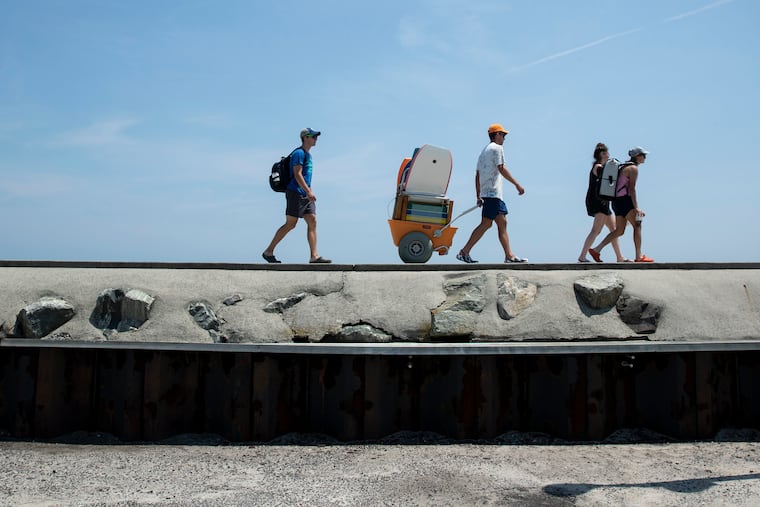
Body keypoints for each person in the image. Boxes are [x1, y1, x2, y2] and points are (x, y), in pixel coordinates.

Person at [456, 123, 527, 264]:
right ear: (496, 135)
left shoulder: (483, 152)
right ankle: (465, 252)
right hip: (493, 194)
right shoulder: (497, 148)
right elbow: (501, 168)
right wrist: (517, 184)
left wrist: (478, 195)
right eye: (503, 135)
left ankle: (508, 255)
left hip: (487, 194)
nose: (504, 138)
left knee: (495, 223)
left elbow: (477, 175)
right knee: (491, 224)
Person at [262, 128, 332, 264]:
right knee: (290, 224)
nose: (316, 139)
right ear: (305, 137)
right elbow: (297, 174)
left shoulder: (308, 155)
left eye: (316, 137)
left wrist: (309, 191)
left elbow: (307, 177)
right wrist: (308, 191)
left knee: (312, 220)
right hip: (295, 192)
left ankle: (314, 256)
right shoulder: (299, 153)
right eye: (313, 136)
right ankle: (268, 251)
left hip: (305, 194)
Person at [588, 146, 654, 263]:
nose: (645, 157)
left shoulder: (623, 166)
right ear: (637, 156)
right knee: (637, 225)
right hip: (625, 200)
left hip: (616, 202)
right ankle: (639, 256)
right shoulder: (633, 168)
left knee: (619, 230)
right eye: (643, 155)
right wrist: (636, 207)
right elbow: (632, 189)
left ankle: (597, 249)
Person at [578, 142, 628, 262]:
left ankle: (619, 257)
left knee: (614, 230)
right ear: (600, 155)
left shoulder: (604, 167)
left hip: (604, 202)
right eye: (605, 153)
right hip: (598, 201)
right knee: (596, 230)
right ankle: (582, 256)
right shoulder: (598, 167)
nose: (608, 154)